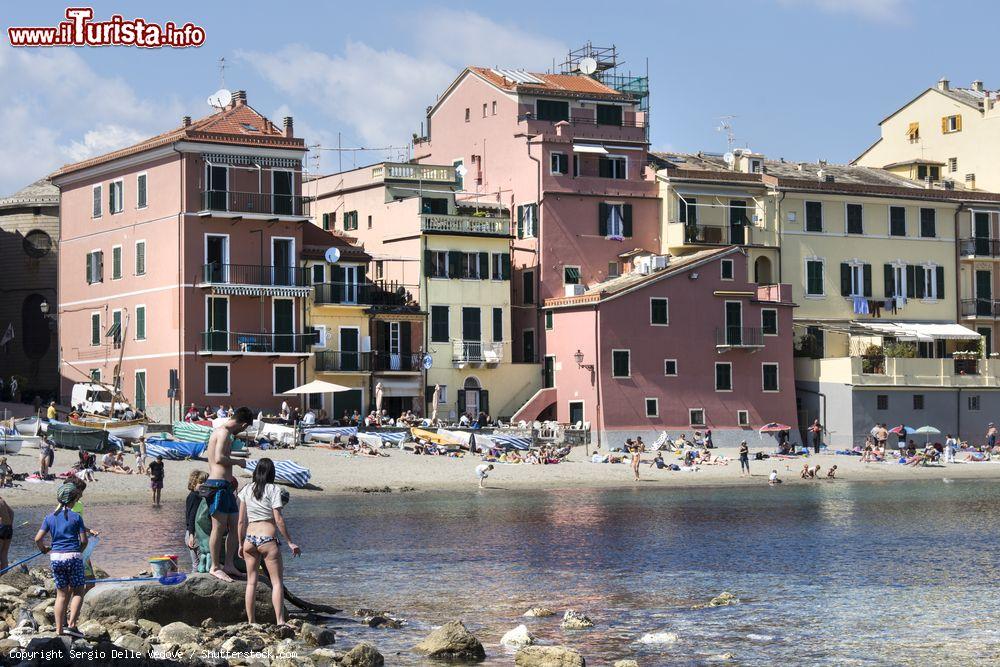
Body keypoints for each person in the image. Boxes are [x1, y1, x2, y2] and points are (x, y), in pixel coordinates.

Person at [237, 458, 300, 626]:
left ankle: (251, 622)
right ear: (272, 473)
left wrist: (240, 544)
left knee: (251, 582)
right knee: (277, 582)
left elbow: (241, 521)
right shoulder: (274, 489)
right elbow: (278, 519)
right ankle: (280, 621)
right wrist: (290, 542)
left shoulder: (246, 489)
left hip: (250, 539)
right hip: (267, 539)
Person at [205, 407, 252, 582]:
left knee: (235, 525)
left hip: (225, 485)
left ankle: (229, 564)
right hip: (217, 485)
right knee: (219, 528)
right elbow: (219, 459)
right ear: (244, 424)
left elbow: (222, 456)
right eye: (245, 428)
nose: (243, 431)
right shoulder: (224, 432)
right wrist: (238, 462)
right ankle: (215, 566)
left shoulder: (223, 432)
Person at [34, 483, 88, 637]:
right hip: (73, 556)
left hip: (56, 557)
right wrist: (79, 552)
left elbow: (38, 539)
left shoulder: (49, 517)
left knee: (61, 594)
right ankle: (71, 625)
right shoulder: (76, 517)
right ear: (74, 499)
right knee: (78, 590)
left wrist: (43, 549)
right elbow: (84, 541)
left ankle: (58, 630)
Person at [185, 470, 208, 571]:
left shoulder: (199, 496)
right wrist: (191, 535)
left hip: (193, 533)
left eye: (206, 482)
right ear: (194, 483)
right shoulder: (194, 497)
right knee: (198, 563)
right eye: (201, 482)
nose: (204, 484)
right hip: (193, 534)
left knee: (197, 563)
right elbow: (191, 517)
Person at [0, 494, 12, 570]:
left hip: (1, 528)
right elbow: (12, 513)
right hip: (8, 528)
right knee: (4, 554)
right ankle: (4, 576)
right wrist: (9, 525)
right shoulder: (2, 500)